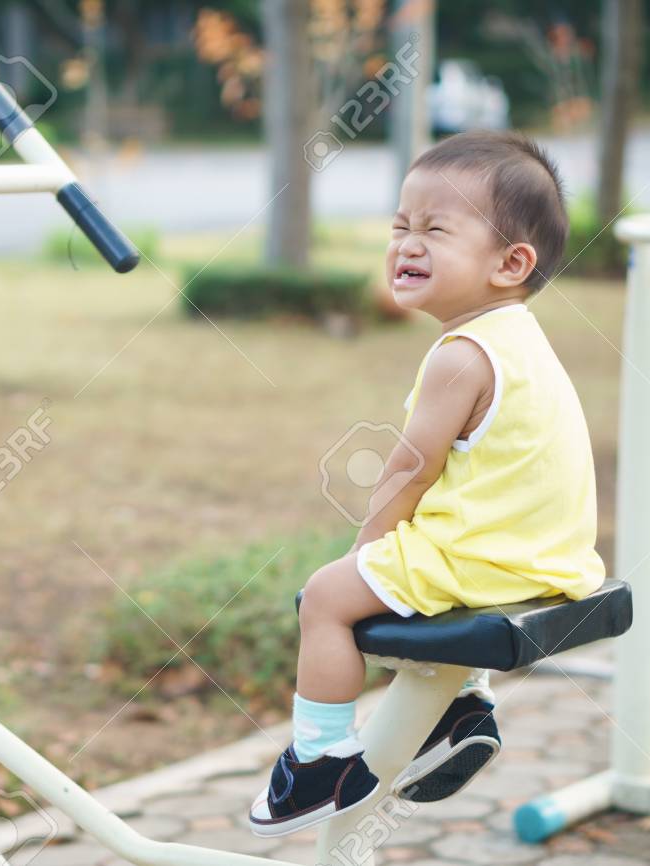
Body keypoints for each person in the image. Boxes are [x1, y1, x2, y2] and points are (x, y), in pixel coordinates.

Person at [248, 130, 606, 837]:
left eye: (435, 229)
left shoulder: (461, 356)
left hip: (488, 557)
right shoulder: (519, 337)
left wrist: (365, 549)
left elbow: (409, 469)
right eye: (400, 226)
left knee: (326, 598)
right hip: (546, 555)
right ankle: (460, 708)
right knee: (398, 583)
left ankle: (319, 764)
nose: (407, 244)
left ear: (511, 263)